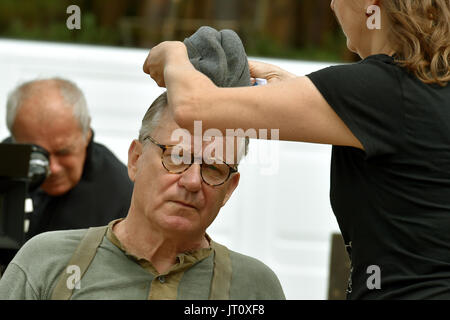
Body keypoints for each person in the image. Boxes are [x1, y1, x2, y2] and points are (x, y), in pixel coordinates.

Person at [142, 0, 450, 299]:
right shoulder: (425, 89)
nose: (331, 5)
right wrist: (292, 87)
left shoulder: (379, 90)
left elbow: (193, 107)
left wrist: (172, 53)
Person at [0, 91, 286, 300]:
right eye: (176, 156)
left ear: (229, 188)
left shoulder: (254, 287)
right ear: (135, 159)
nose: (191, 181)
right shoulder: (46, 262)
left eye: (213, 168)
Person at [3, 78, 133, 240]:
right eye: (37, 155)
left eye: (63, 152)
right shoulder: (5, 167)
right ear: (15, 140)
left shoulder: (121, 196)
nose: (52, 168)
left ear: (87, 135)